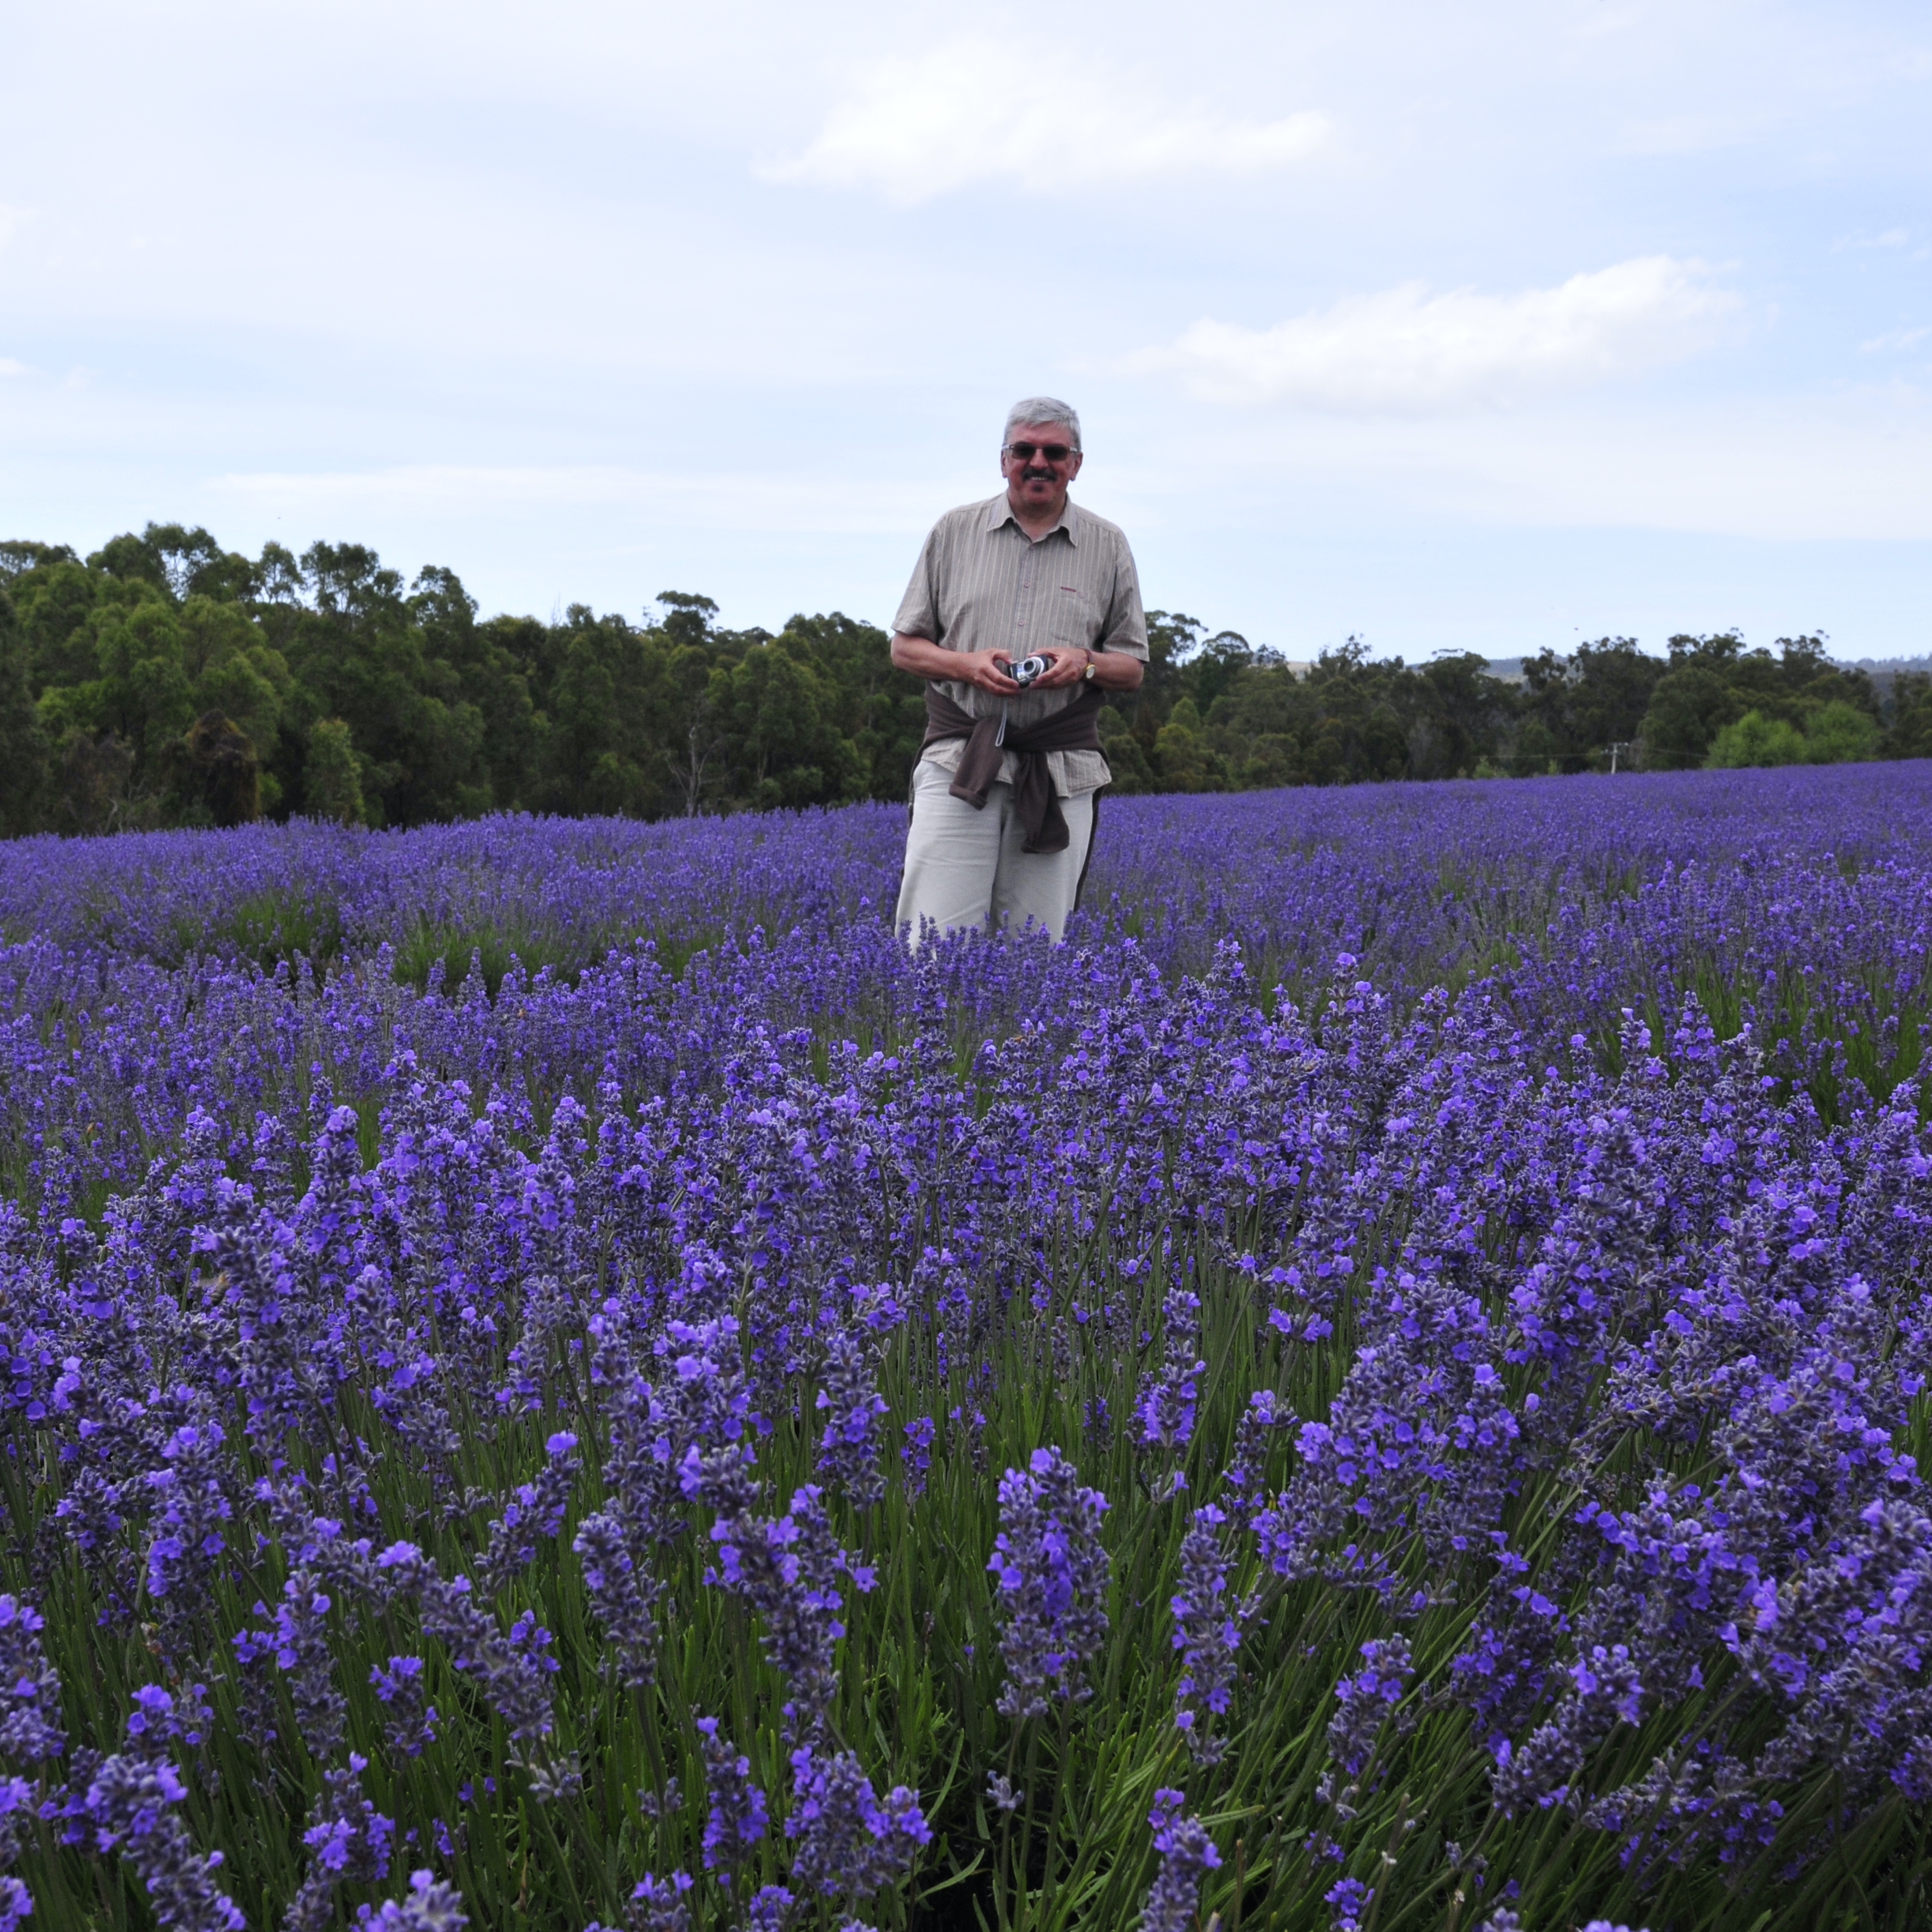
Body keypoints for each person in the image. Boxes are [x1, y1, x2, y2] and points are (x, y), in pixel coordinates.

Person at [890, 398, 1147, 944]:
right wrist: (966, 665)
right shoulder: (954, 532)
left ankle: (1024, 1036)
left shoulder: (1108, 545)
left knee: (1035, 959)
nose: (1039, 462)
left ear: (1076, 463)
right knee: (931, 948)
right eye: (1024, 450)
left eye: (1054, 452)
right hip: (959, 763)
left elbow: (1131, 668)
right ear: (1003, 459)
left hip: (1061, 771)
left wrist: (1086, 664)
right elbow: (906, 648)